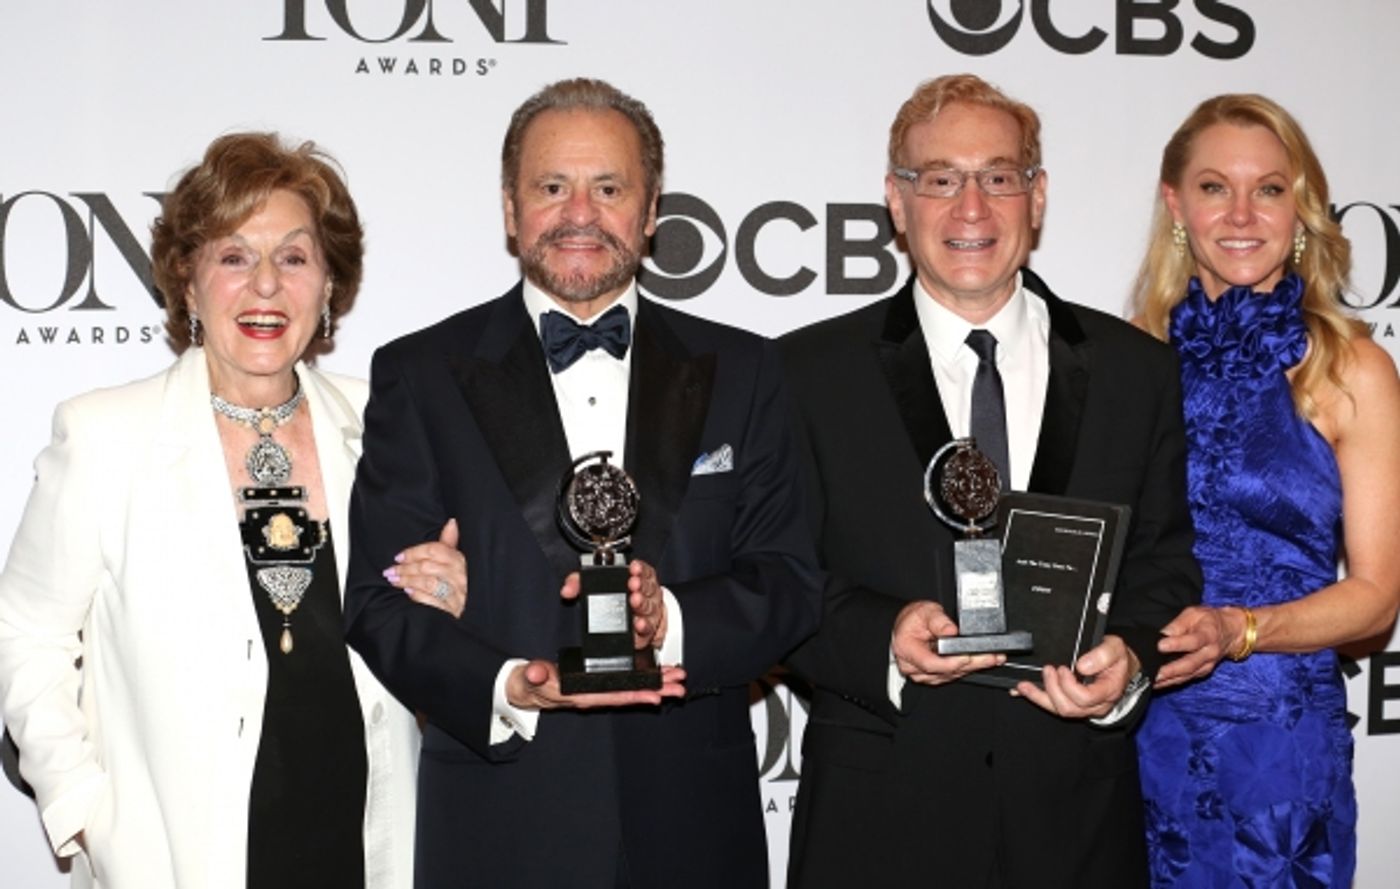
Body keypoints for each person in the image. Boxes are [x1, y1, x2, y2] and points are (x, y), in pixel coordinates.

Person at [342, 77, 821, 889]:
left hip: (696, 832)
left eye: (608, 188)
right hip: (503, 827)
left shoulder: (745, 371)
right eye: (551, 187)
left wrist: (668, 619)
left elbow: (790, 583)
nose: (579, 214)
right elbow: (377, 603)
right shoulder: (421, 374)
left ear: (651, 209)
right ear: (510, 208)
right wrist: (508, 685)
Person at [0, 132, 467, 889]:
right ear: (188, 284)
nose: (266, 286)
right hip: (178, 856)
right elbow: (26, 632)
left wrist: (448, 601)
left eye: (294, 257)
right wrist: (81, 808)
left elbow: (420, 628)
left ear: (328, 284)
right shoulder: (105, 435)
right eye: (234, 257)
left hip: (362, 841)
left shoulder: (383, 424)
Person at [779, 74, 1202, 889]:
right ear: (896, 200)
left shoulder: (1137, 371)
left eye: (999, 176)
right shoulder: (804, 373)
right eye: (940, 178)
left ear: (1036, 197)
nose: (971, 207)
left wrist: (1127, 659)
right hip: (878, 823)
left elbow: (1165, 563)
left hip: (1076, 822)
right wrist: (883, 640)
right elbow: (777, 577)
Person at [1132, 94, 1400, 887]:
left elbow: (1377, 597)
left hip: (1279, 752)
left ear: (1301, 209)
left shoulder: (1350, 368)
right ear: (1177, 205)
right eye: (1215, 187)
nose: (1242, 213)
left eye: (1270, 188)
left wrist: (1239, 629)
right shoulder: (1130, 360)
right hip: (1139, 732)